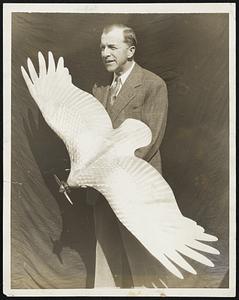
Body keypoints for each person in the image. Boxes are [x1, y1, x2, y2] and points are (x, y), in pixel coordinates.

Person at [90, 24, 168, 288]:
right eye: (102, 47)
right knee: (106, 260)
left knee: (141, 261)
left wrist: (112, 172)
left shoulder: (153, 85)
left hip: (135, 187)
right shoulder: (99, 89)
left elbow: (150, 140)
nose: (105, 53)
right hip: (102, 189)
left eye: (112, 47)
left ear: (131, 50)